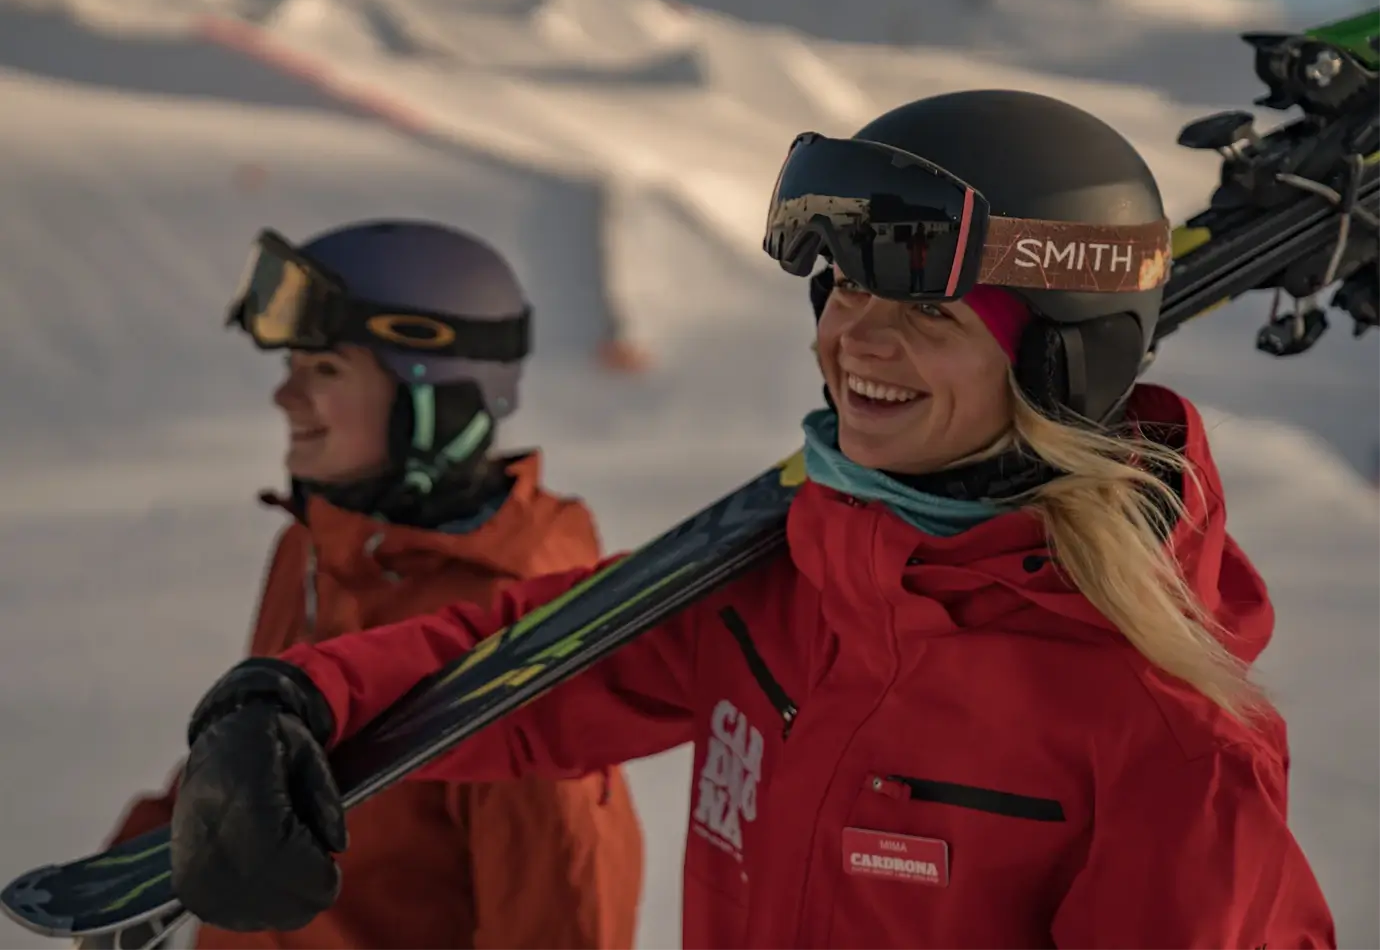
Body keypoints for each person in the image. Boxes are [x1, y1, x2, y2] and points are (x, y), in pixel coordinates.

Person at [162, 94, 1337, 949]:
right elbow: (535, 658)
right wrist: (303, 698)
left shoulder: (1166, 740)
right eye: (845, 286)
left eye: (924, 307)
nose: (857, 339)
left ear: (1058, 353)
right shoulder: (789, 580)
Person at [104, 220, 644, 950]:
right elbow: (263, 755)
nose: (286, 398)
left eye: (323, 371)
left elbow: (563, 903)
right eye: (292, 367)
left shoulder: (516, 636)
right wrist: (149, 859)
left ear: (434, 400)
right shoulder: (314, 549)